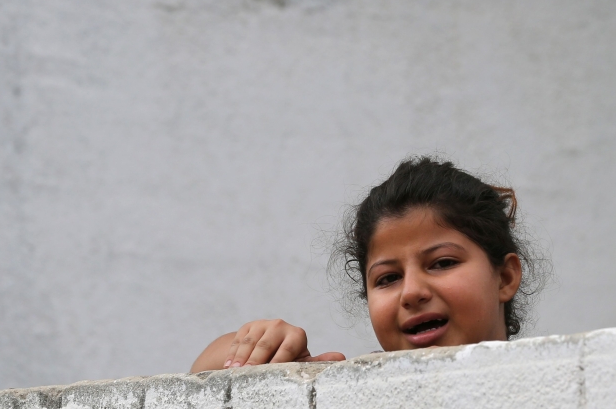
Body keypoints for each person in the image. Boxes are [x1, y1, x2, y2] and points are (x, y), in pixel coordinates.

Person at [190, 156, 539, 373]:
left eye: (442, 262)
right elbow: (202, 373)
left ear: (505, 276)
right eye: (387, 278)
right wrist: (258, 351)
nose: (412, 292)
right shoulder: (354, 388)